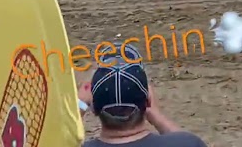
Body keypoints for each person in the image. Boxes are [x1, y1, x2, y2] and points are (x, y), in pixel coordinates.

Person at [79, 55, 207, 146]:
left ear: (94, 108)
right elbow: (182, 139)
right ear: (148, 102)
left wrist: (79, 107)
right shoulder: (188, 143)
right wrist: (155, 114)